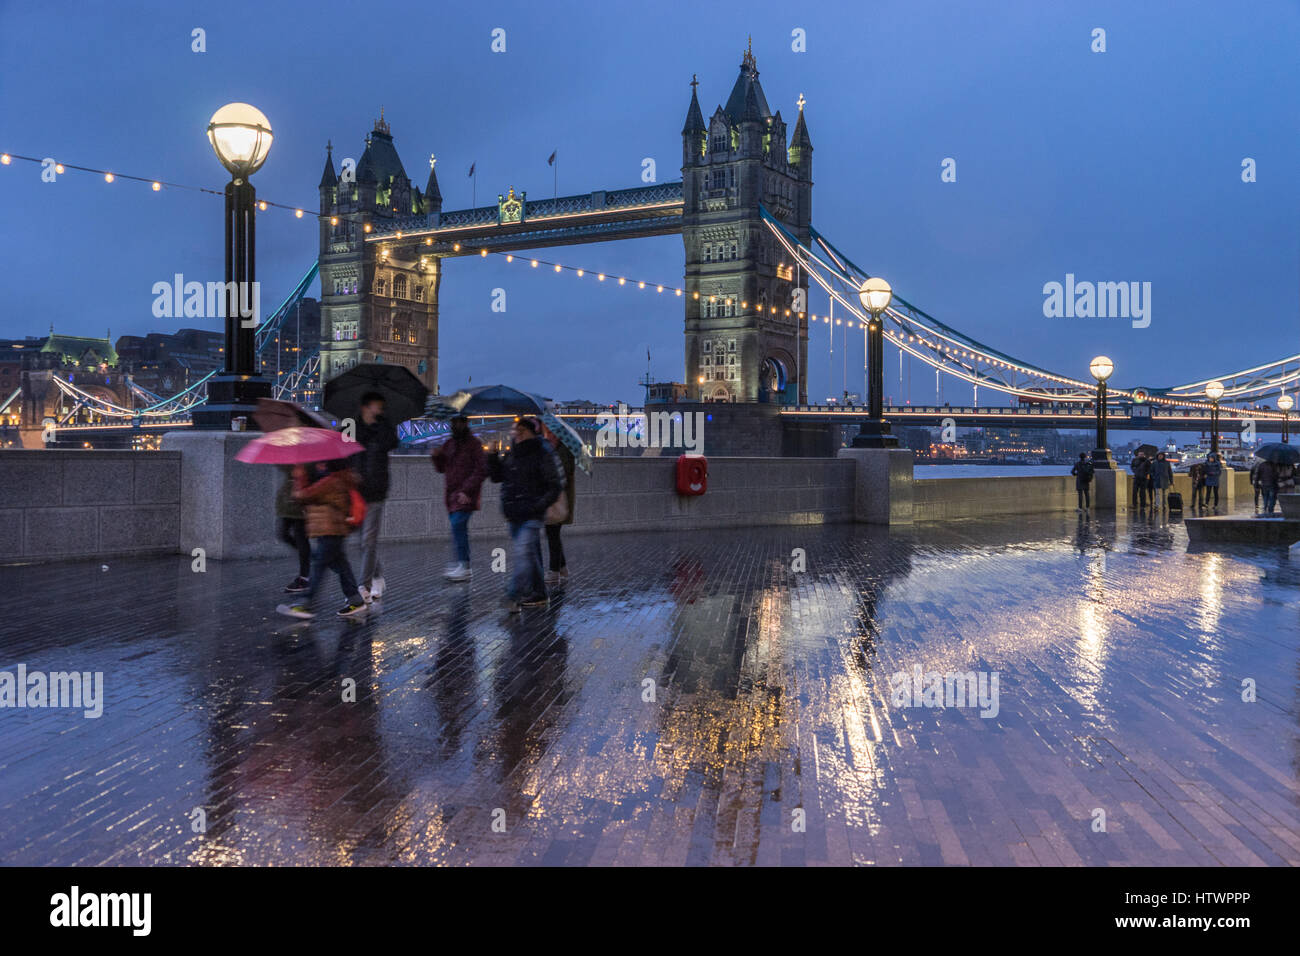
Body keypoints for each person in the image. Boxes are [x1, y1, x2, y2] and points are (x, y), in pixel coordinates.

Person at [487, 417, 561, 613]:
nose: (516, 433)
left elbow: (555, 486)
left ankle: (513, 596)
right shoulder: (512, 453)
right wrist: (493, 456)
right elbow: (497, 477)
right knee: (530, 556)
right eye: (515, 430)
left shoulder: (542, 453)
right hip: (513, 514)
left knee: (522, 555)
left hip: (531, 515)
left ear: (531, 432)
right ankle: (539, 593)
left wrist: (539, 506)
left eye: (521, 430)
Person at [279, 459, 367, 619]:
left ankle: (306, 603)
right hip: (332, 529)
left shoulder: (332, 482)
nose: (320, 465)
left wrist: (299, 477)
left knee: (319, 566)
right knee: (341, 566)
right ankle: (355, 599)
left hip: (331, 529)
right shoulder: (338, 479)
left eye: (324, 463)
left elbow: (303, 495)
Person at [431, 415, 488, 582]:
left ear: (466, 423)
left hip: (466, 496)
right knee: (458, 529)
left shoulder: (474, 444)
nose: (456, 425)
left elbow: (481, 470)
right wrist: (436, 456)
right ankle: (462, 564)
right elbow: (441, 468)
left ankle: (464, 565)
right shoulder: (449, 444)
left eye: (459, 422)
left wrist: (466, 490)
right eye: (454, 422)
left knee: (458, 525)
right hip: (451, 495)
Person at [354, 392, 399, 603]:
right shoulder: (352, 427)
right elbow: (345, 454)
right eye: (377, 405)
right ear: (366, 406)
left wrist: (382, 424)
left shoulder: (384, 428)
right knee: (364, 541)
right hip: (355, 491)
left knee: (367, 540)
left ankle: (364, 586)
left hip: (376, 490)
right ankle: (378, 575)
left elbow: (393, 443)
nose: (380, 409)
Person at [541, 423, 576, 583]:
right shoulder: (552, 449)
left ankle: (554, 571)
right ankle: (562, 568)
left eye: (551, 433)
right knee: (552, 533)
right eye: (547, 432)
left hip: (560, 498)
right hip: (552, 497)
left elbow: (565, 471)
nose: (548, 435)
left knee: (552, 533)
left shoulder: (563, 450)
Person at [276, 465, 310, 593]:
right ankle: (311, 558)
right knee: (283, 534)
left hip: (300, 504)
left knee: (301, 539)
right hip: (289, 505)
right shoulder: (291, 463)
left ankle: (304, 577)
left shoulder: (307, 463)